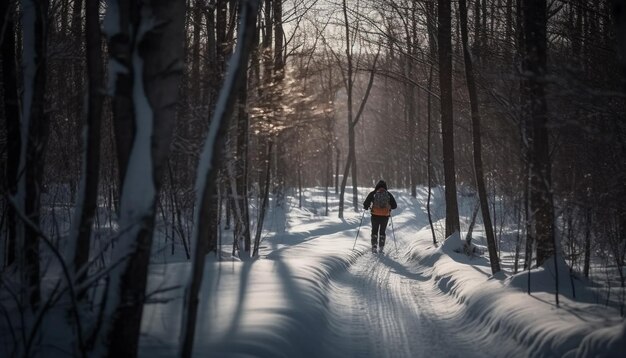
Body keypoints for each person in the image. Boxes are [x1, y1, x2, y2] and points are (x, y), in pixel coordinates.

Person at [363, 180, 397, 253]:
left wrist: (367, 206)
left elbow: (366, 203)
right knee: (382, 231)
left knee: (374, 231)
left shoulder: (373, 193)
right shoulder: (388, 194)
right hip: (385, 216)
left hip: (375, 215)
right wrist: (389, 207)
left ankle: (374, 246)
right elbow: (395, 206)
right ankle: (381, 247)